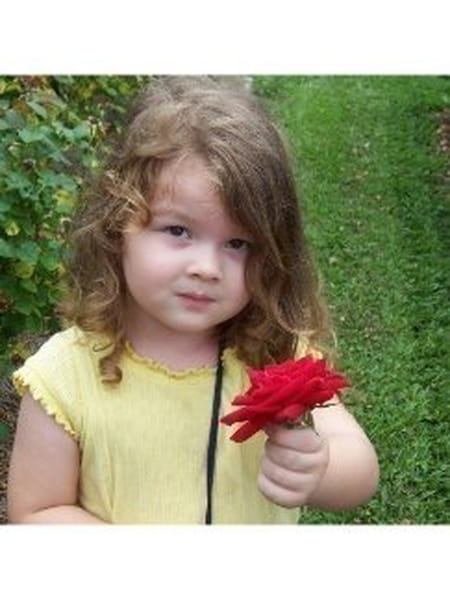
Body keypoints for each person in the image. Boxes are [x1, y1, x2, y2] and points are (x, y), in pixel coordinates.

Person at [7, 76, 379, 524]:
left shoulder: (274, 353)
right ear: (117, 225)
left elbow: (360, 471)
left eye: (238, 243)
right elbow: (36, 511)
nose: (207, 267)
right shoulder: (65, 375)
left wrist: (318, 469)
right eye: (178, 231)